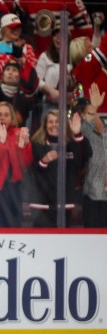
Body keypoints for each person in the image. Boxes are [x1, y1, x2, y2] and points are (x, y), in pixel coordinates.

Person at [28, 110, 90, 227]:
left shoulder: (72, 143)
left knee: (60, 242)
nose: (54, 125)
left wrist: (77, 134)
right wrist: (43, 162)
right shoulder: (36, 143)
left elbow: (86, 156)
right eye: (50, 122)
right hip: (41, 204)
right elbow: (29, 172)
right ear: (45, 125)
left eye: (57, 121)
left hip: (64, 204)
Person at [80, 83, 107, 227]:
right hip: (92, 194)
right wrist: (94, 108)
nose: (90, 115)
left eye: (92, 111)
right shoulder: (88, 132)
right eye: (87, 113)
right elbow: (82, 127)